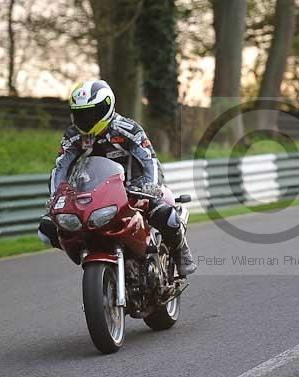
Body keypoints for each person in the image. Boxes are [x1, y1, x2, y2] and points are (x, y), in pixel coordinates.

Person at [38, 80, 197, 278]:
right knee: (46, 229)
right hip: (94, 193)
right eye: (80, 113)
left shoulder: (127, 128)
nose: (85, 118)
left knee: (166, 214)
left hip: (135, 188)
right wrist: (56, 196)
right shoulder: (73, 136)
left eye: (91, 112)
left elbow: (149, 159)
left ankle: (181, 252)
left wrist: (151, 186)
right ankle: (89, 252)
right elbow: (61, 166)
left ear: (107, 107)